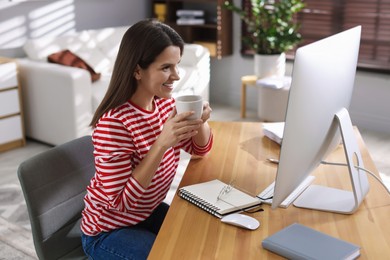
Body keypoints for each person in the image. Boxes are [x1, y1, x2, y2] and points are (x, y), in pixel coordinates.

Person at [80, 19, 213, 259]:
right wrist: (161, 144)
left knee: (200, 235)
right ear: (137, 70)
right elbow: (120, 203)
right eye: (166, 68)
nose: (176, 75)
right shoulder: (114, 124)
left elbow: (199, 149)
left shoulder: (164, 105)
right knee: (171, 255)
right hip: (107, 230)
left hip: (144, 213)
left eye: (177, 65)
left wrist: (201, 121)